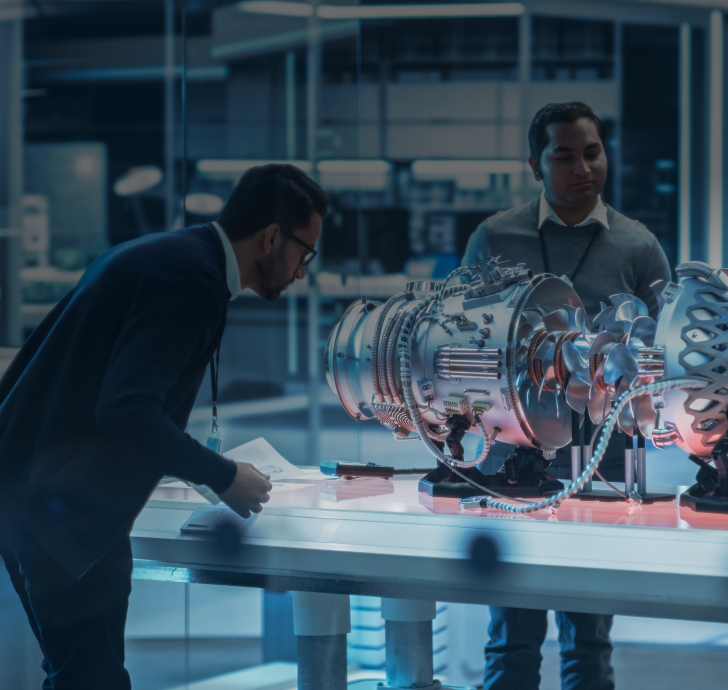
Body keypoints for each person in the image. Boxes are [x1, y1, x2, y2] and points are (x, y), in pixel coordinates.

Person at [0, 163, 327, 689]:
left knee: (77, 675)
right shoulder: (190, 282)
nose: (301, 272)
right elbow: (126, 409)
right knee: (92, 680)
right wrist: (223, 475)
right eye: (303, 254)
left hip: (32, 492)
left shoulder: (167, 255)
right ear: (272, 238)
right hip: (63, 512)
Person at [462, 102, 671, 690]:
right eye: (565, 155)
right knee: (511, 639)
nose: (584, 167)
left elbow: (662, 356)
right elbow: (459, 337)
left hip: (602, 459)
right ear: (536, 164)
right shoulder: (495, 237)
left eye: (593, 151)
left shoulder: (637, 246)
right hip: (510, 459)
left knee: (588, 637)